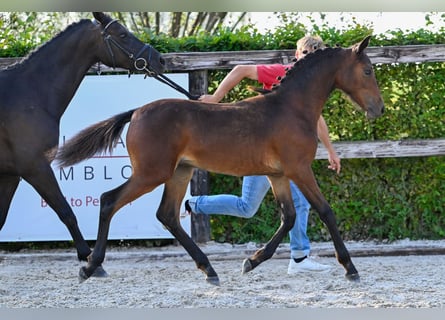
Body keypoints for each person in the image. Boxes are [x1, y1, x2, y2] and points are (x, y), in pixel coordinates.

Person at [185, 35, 341, 274]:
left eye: (315, 54)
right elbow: (241, 70)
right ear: (297, 55)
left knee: (301, 202)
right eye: (306, 53)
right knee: (246, 207)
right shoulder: (282, 72)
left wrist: (331, 150)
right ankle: (193, 204)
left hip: (287, 156)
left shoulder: (309, 87)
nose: (310, 57)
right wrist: (216, 98)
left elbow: (317, 120)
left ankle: (299, 258)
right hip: (262, 153)